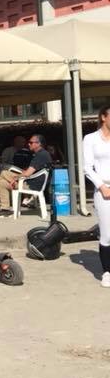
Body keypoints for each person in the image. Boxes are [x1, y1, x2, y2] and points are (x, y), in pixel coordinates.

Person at [82, 103, 110, 288]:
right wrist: (101, 186)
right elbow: (87, 167)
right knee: (107, 234)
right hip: (104, 190)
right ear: (103, 117)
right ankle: (107, 272)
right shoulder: (91, 139)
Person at [0, 133, 52, 215]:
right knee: (3, 183)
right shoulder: (41, 154)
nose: (28, 144)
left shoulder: (41, 155)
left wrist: (15, 178)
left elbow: (27, 173)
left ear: (38, 144)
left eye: (31, 142)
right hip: (31, 181)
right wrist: (18, 177)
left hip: (31, 185)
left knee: (3, 173)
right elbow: (28, 171)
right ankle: (5, 209)